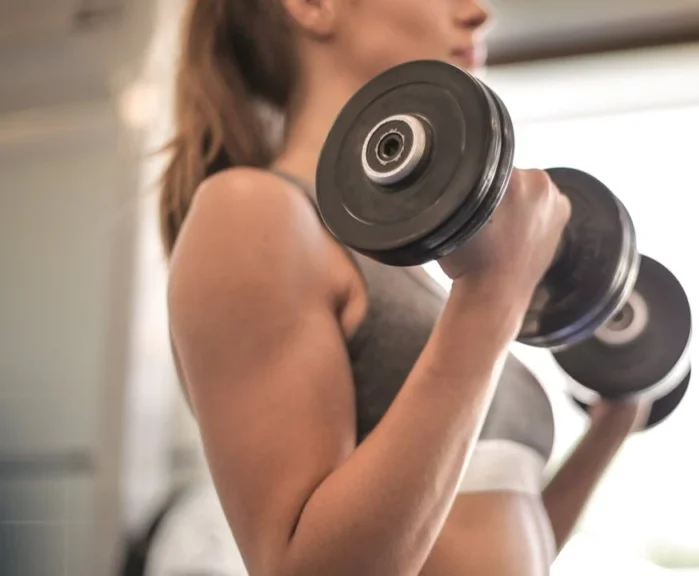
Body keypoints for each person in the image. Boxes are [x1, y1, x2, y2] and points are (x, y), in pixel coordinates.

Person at [156, 1, 649, 574]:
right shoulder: (253, 211)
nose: (478, 12)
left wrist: (613, 424)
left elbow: (494, 536)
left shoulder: (425, 270)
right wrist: (493, 298)